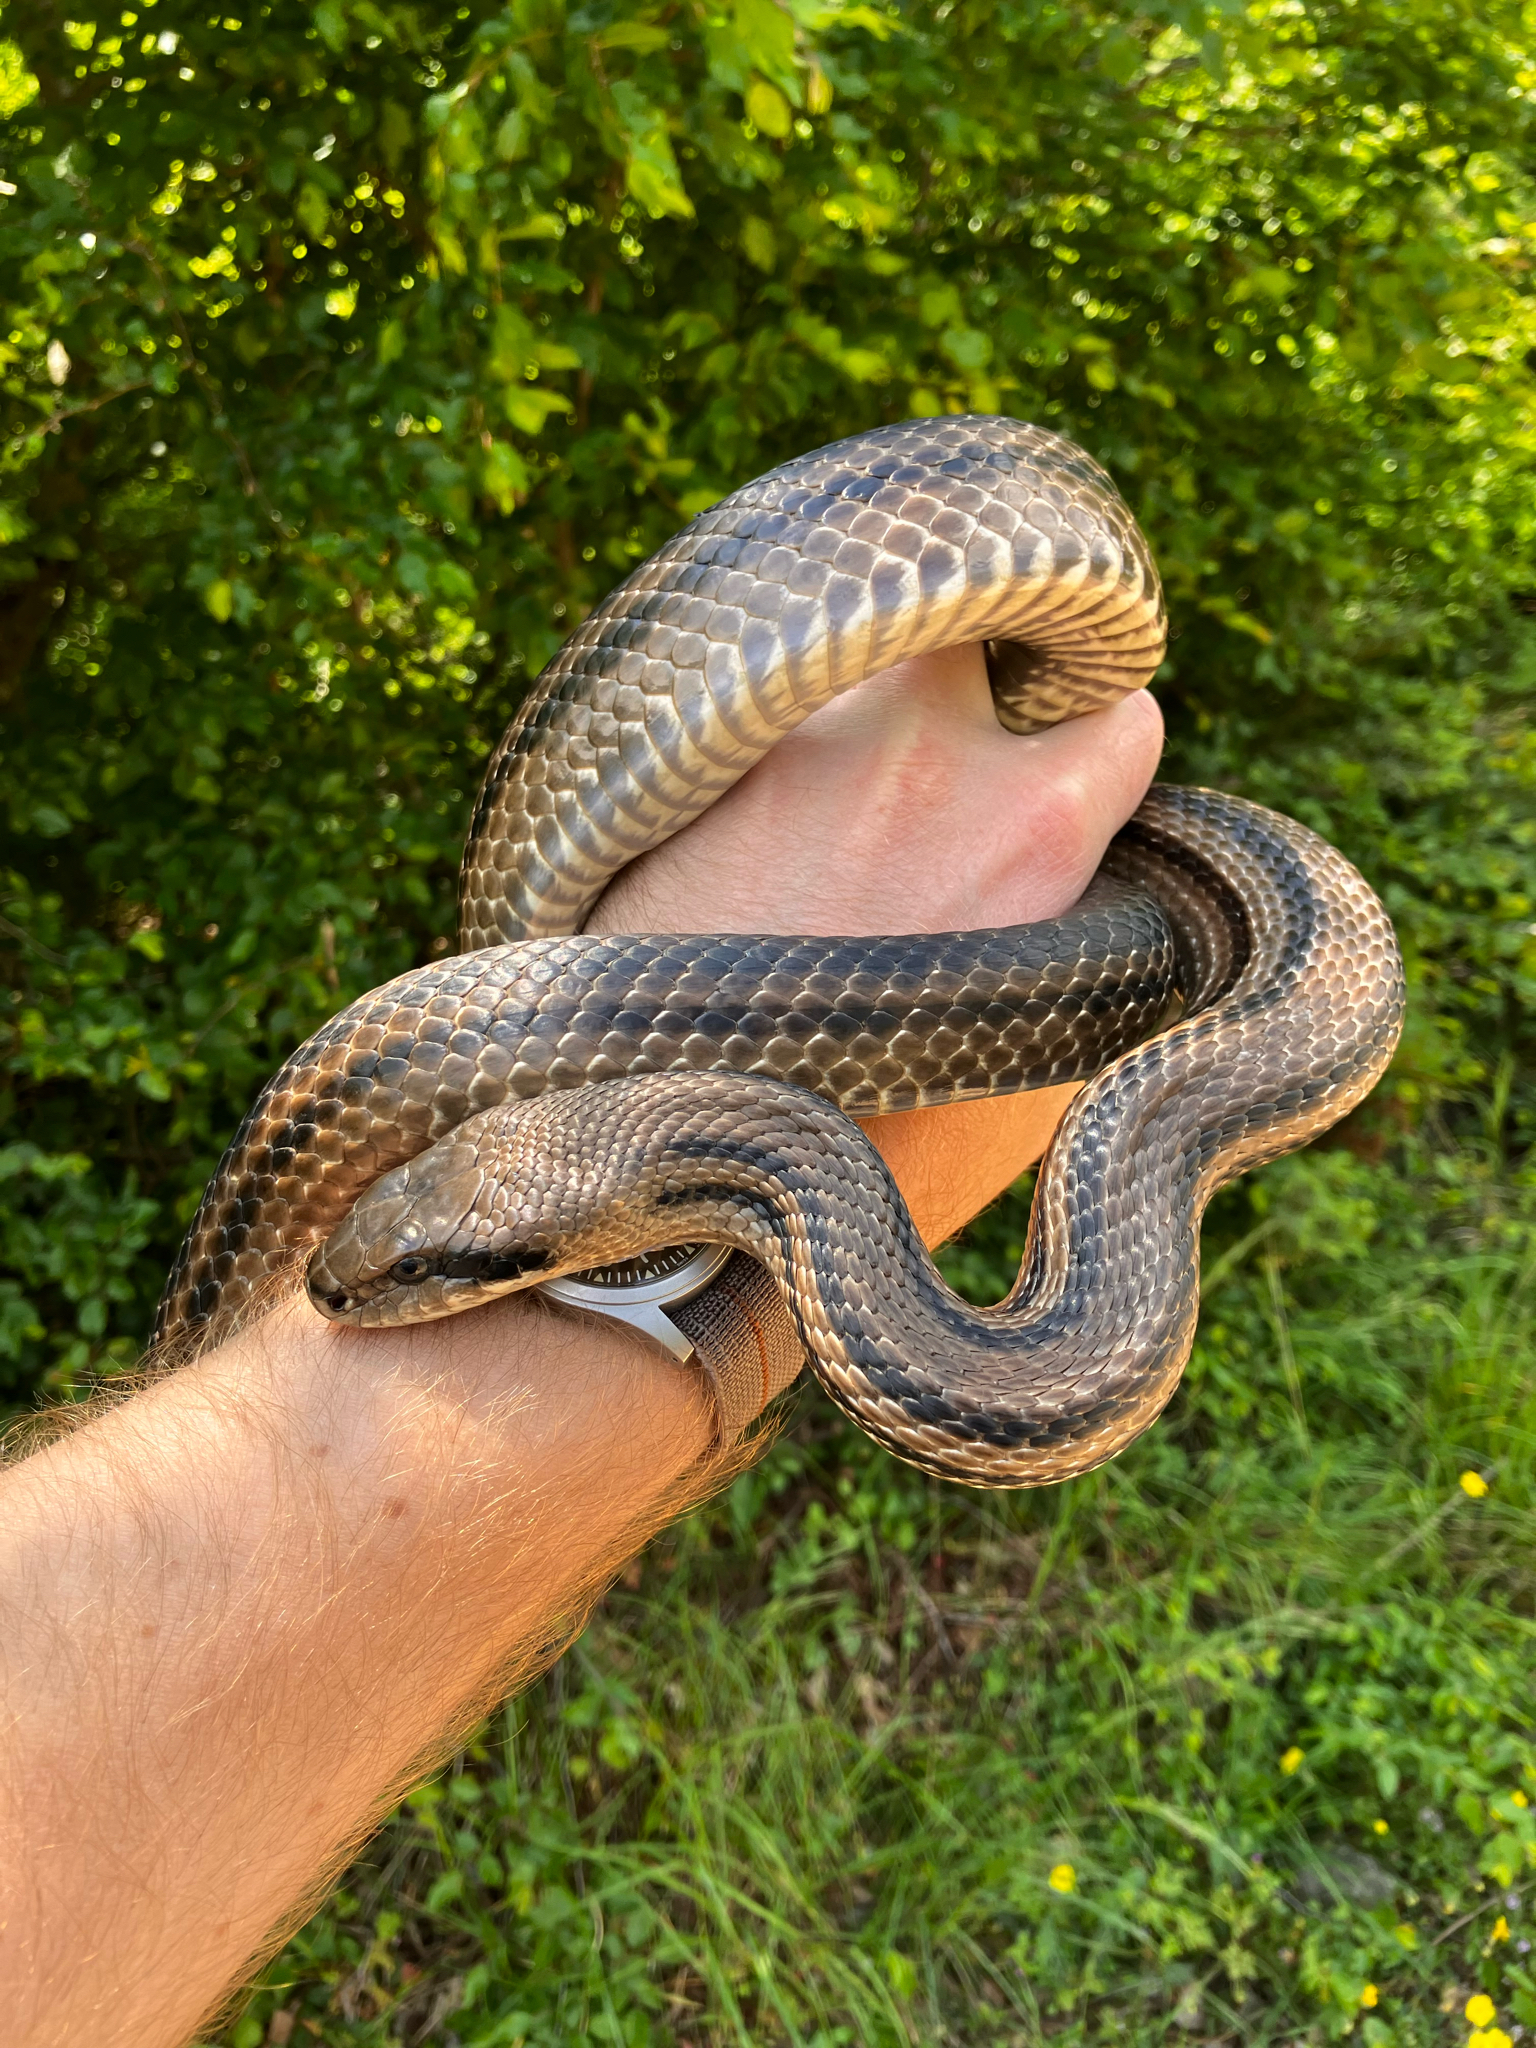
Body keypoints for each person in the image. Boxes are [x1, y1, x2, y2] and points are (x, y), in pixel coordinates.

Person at [0, 645, 1163, 2047]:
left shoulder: (786, 1195)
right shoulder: (704, 1177)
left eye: (429, 1274)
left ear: (555, 1239)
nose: (364, 1293)